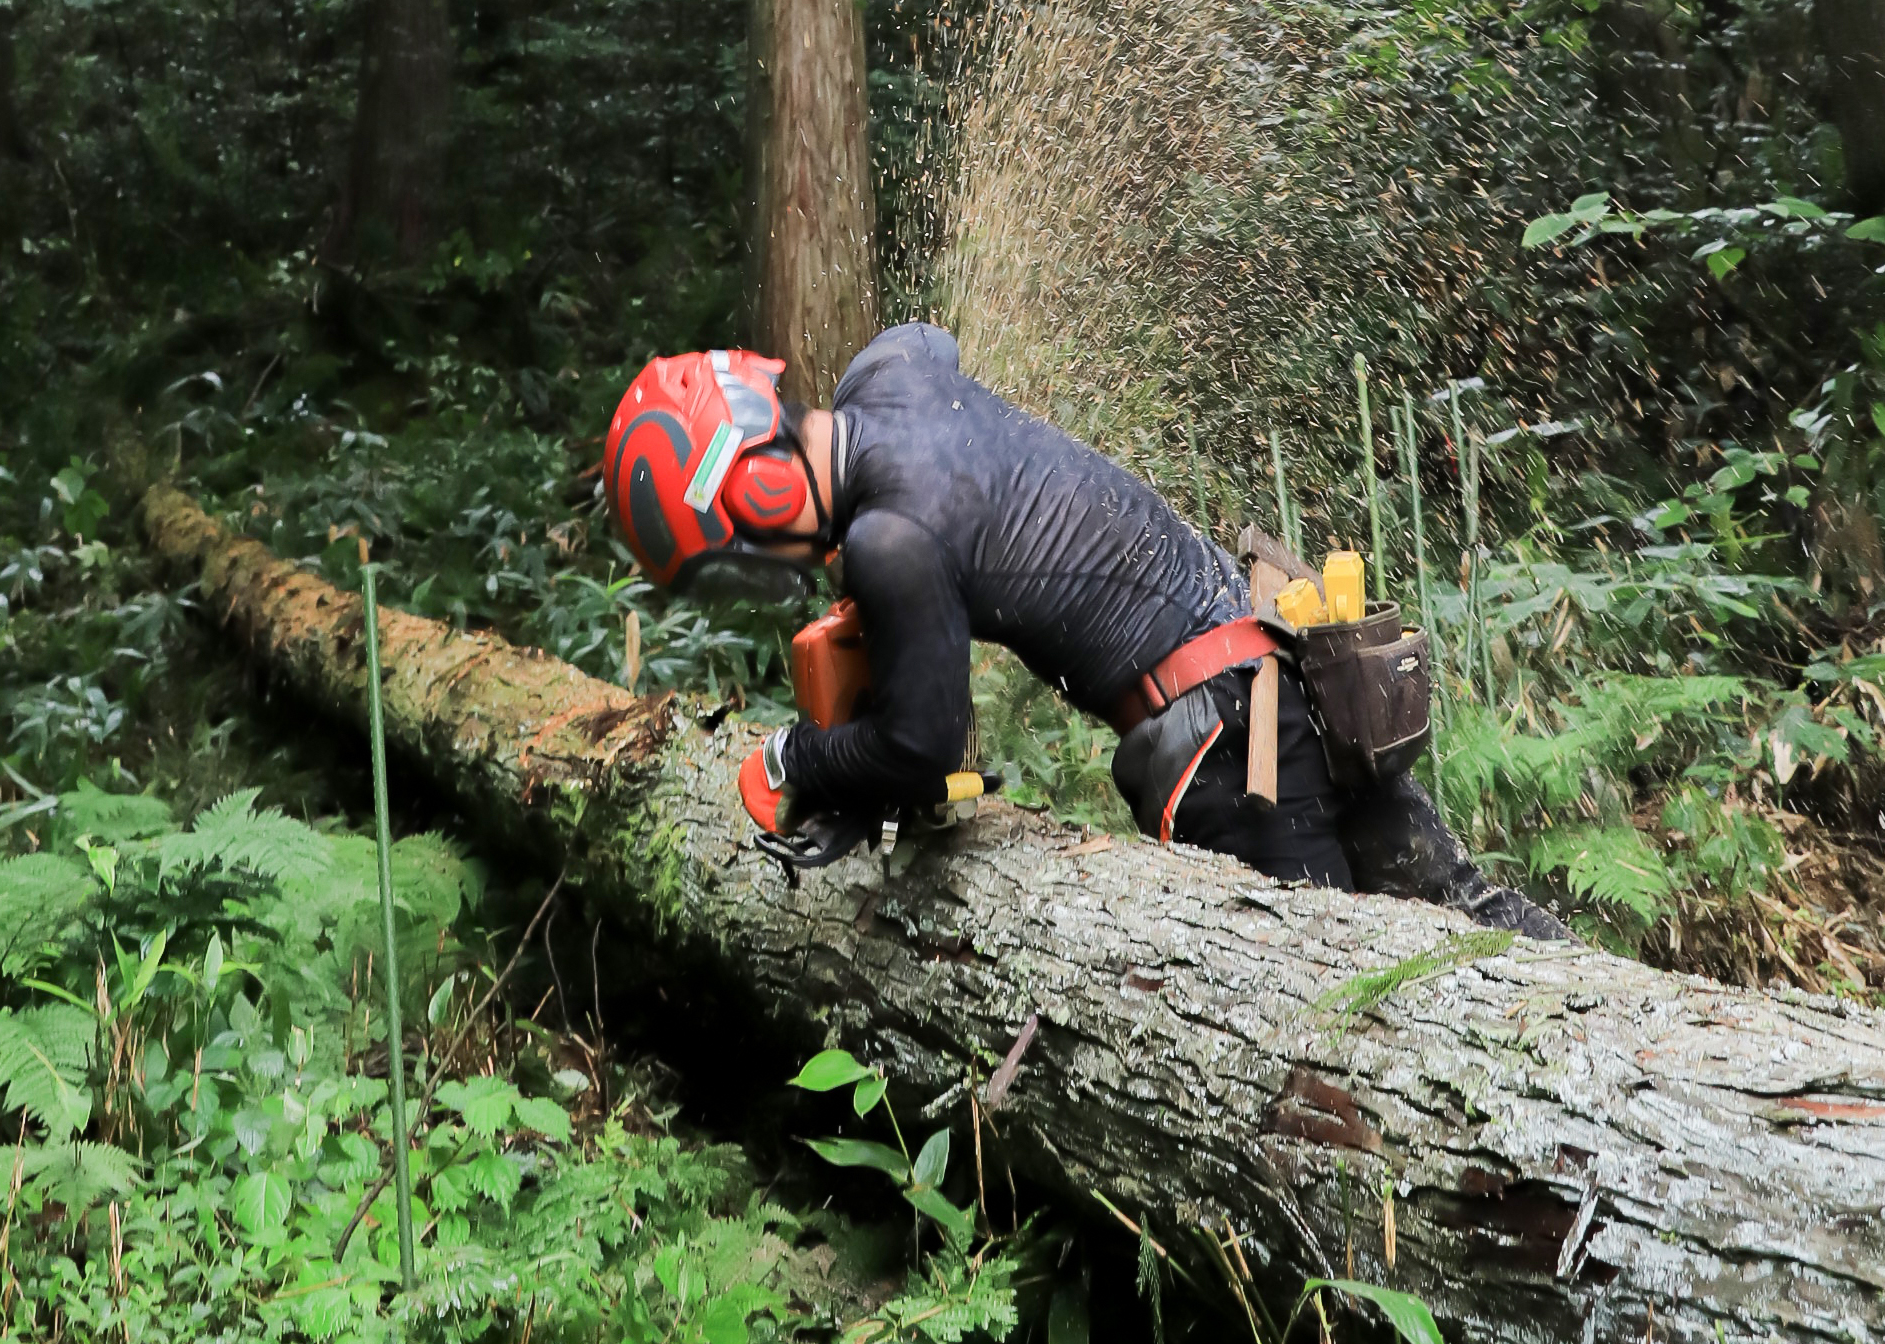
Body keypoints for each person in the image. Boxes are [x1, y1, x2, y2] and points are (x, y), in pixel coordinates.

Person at [602, 319, 1562, 932]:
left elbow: (922, 746)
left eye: (741, 553)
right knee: (1465, 912)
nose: (771, 573)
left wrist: (796, 762)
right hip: (1278, 656)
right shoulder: (885, 374)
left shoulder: (891, 540)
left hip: (1226, 750)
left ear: (762, 487)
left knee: (1339, 1006)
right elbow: (928, 339)